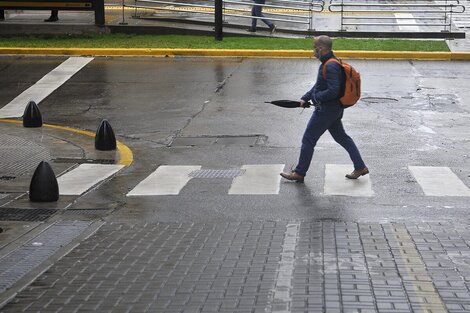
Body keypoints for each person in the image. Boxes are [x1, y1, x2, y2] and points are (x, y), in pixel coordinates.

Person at [280, 35, 368, 183]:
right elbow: (318, 86)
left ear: (320, 48)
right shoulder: (328, 63)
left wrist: (316, 98)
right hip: (333, 109)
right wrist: (305, 97)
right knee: (342, 138)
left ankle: (299, 172)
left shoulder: (331, 65)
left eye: (314, 47)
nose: (313, 50)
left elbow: (333, 90)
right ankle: (360, 167)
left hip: (327, 110)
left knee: (308, 139)